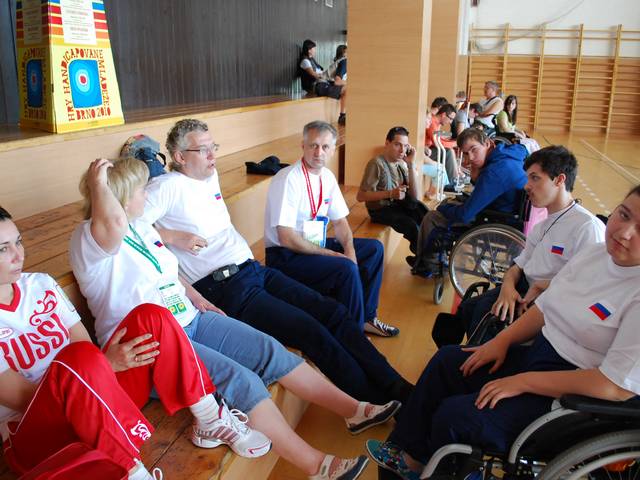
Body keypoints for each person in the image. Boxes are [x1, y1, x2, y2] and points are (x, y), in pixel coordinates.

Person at [70, 157, 393, 479]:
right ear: (121, 197)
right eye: (141, 189)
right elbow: (112, 225)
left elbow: (165, 273)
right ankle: (316, 465)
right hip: (150, 347)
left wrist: (197, 297)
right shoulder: (90, 238)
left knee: (269, 348)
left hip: (189, 316)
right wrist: (99, 183)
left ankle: (353, 410)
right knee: (241, 379)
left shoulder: (140, 226)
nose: (147, 194)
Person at [365, 184, 640, 480]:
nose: (624, 232)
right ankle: (412, 460)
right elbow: (544, 308)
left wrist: (522, 382)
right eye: (624, 215)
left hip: (574, 394)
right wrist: (501, 341)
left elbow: (614, 387)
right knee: (447, 363)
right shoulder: (595, 255)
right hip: (539, 356)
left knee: (457, 417)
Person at [142, 119, 412, 405]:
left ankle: (397, 386)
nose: (212, 155)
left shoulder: (209, 177)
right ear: (180, 157)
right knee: (310, 330)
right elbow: (128, 233)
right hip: (224, 288)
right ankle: (375, 401)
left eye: (214, 147)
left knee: (334, 313)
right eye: (203, 150)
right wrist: (170, 236)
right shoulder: (165, 187)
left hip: (253, 270)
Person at [431, 145, 606, 347]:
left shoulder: (587, 227)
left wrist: (540, 286)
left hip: (547, 305)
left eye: (535, 178)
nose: (526, 186)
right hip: (522, 288)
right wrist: (507, 287)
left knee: (483, 314)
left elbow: (588, 285)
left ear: (559, 180)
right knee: (466, 310)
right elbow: (518, 266)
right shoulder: (542, 226)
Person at [265, 120, 401, 337]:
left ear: (332, 150)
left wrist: (349, 250)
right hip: (285, 255)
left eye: (325, 147)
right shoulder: (288, 179)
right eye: (313, 145)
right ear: (303, 145)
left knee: (373, 249)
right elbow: (286, 238)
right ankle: (353, 336)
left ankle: (367, 318)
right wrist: (332, 254)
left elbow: (340, 222)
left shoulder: (327, 177)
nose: (318, 152)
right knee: (345, 268)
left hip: (311, 244)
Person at [411, 128, 528, 276]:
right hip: (511, 216)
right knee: (453, 203)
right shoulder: (511, 154)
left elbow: (465, 215)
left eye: (474, 150)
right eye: (466, 153)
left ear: (487, 143)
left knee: (432, 217)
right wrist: (475, 178)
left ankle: (428, 264)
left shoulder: (494, 172)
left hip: (496, 222)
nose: (471, 158)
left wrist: (441, 208)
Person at [357, 126, 426, 257]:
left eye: (405, 146)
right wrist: (390, 193)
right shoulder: (376, 164)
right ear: (387, 143)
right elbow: (360, 196)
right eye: (397, 144)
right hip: (379, 210)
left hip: (396, 206)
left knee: (424, 214)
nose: (402, 150)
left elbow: (414, 197)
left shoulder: (400, 164)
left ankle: (430, 255)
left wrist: (410, 165)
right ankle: (423, 260)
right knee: (411, 226)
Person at [298, 39, 346, 125]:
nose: (315, 50)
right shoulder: (305, 61)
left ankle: (343, 114)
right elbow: (314, 74)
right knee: (343, 88)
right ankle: (342, 116)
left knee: (343, 88)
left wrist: (325, 75)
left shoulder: (312, 60)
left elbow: (321, 73)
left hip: (321, 82)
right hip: (312, 85)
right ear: (309, 50)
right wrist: (325, 75)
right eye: (314, 48)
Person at [425, 104, 458, 183]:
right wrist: (455, 143)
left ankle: (456, 176)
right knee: (448, 152)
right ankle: (451, 183)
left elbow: (440, 138)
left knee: (450, 150)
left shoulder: (437, 124)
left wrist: (452, 140)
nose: (451, 122)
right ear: (443, 115)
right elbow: (438, 143)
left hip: (428, 149)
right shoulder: (432, 123)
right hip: (426, 151)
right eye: (450, 119)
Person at [333, 45, 348, 125]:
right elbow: (337, 82)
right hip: (325, 84)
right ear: (343, 54)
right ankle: (342, 116)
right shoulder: (343, 62)